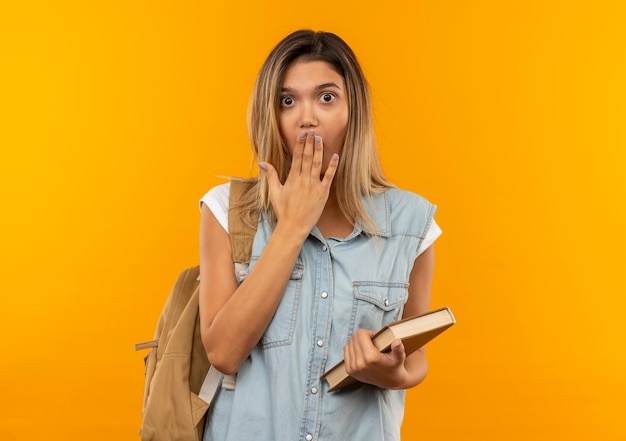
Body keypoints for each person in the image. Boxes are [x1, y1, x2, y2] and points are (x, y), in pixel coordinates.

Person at [198, 29, 441, 441]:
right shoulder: (227, 209)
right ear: (270, 114)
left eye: (326, 97)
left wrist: (391, 372)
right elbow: (223, 353)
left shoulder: (410, 221)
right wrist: (292, 226)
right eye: (287, 100)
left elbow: (415, 359)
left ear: (353, 111)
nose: (306, 116)